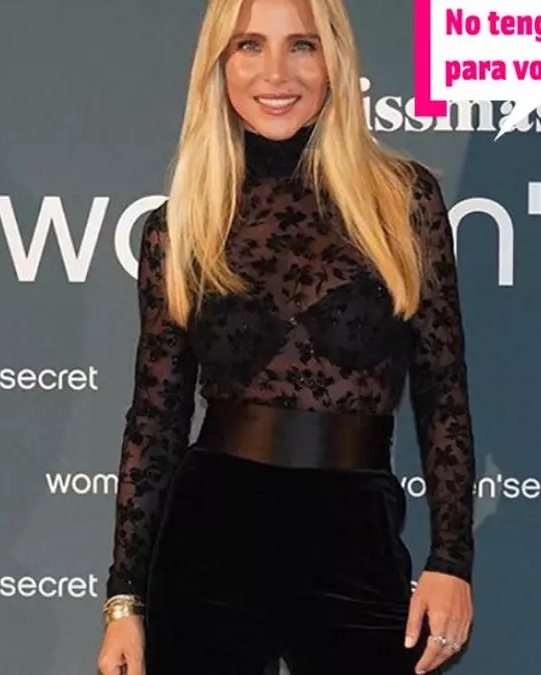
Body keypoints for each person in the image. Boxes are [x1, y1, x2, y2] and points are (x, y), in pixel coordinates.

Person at [93, 0, 477, 673]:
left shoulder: (402, 199)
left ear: (335, 60)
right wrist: (125, 599)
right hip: (207, 538)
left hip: (355, 534)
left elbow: (442, 389)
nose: (276, 73)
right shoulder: (181, 224)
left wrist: (451, 560)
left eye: (302, 45)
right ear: (219, 65)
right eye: (248, 46)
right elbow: (156, 421)